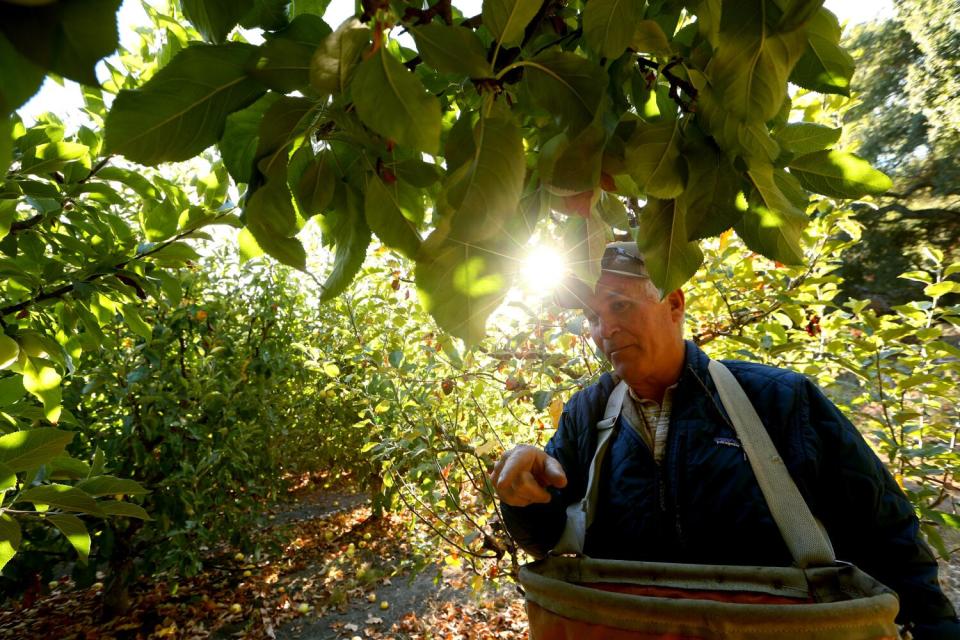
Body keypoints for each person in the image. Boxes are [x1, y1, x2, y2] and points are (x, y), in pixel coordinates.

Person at [490, 241, 959, 638]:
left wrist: (933, 628)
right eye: (593, 316)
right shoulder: (586, 414)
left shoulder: (778, 400)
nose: (604, 329)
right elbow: (548, 540)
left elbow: (885, 535)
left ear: (674, 304)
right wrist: (522, 494)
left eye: (621, 305)